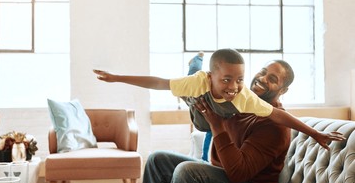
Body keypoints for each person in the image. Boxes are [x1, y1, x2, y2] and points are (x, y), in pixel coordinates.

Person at [93, 48, 344, 150]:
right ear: (213, 76)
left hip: (209, 118)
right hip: (196, 100)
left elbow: (278, 114)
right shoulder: (200, 82)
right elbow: (158, 82)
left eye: (240, 79)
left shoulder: (243, 95)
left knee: (212, 125)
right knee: (190, 78)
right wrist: (117, 78)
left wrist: (314, 133)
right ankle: (196, 62)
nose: (234, 87)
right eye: (227, 80)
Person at [138, 59, 295, 183]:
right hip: (223, 173)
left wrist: (217, 126)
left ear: (283, 91)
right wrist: (197, 98)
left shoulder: (274, 125)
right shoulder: (243, 101)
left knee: (188, 172)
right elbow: (207, 118)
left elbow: (238, 173)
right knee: (157, 160)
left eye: (272, 79)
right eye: (262, 72)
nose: (262, 78)